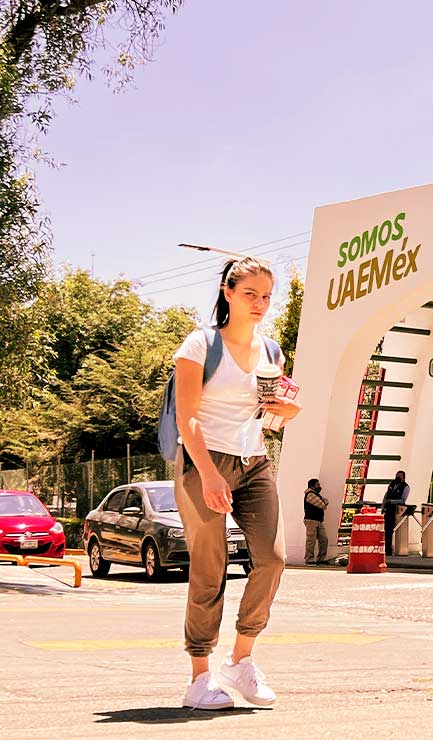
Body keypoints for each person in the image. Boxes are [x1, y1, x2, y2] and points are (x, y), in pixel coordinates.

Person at [173, 257, 301, 710]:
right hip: (204, 461)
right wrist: (208, 473)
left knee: (272, 559)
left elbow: (268, 415)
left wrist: (284, 412)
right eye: (250, 294)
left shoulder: (272, 352)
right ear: (228, 292)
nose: (260, 304)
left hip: (255, 462)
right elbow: (188, 417)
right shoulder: (199, 345)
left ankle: (240, 661)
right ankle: (199, 677)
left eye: (266, 296)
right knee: (210, 569)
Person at [382, 470, 410, 556]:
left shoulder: (406, 487)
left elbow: (403, 500)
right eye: (397, 476)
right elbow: (386, 495)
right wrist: (383, 506)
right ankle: (387, 549)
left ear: (403, 477)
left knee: (392, 529)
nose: (397, 478)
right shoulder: (392, 484)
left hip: (397, 510)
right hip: (388, 509)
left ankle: (393, 549)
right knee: (387, 530)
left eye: (399, 476)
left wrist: (391, 501)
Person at [303, 478, 329, 565]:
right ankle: (309, 559)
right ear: (312, 486)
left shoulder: (316, 495)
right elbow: (322, 505)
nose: (319, 487)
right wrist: (324, 502)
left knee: (324, 539)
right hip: (311, 520)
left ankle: (321, 559)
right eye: (317, 485)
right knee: (311, 540)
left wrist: (324, 502)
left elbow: (324, 502)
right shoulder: (310, 494)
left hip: (319, 521)